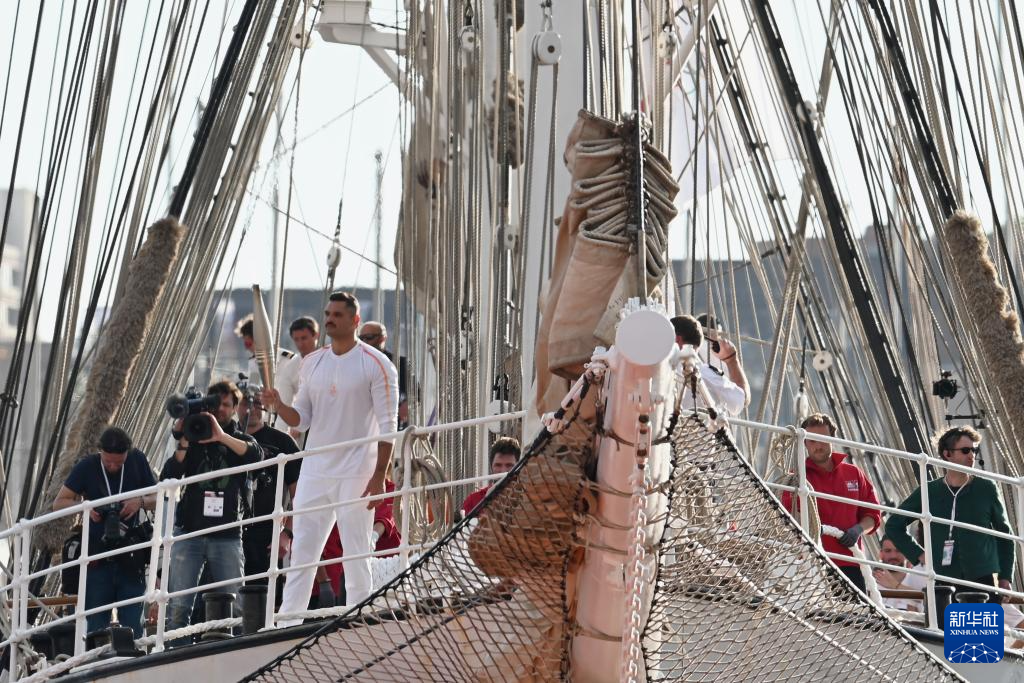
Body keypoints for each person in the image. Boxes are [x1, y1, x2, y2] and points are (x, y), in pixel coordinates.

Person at [263, 291, 399, 625]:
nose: (329, 319)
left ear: (354, 320)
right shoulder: (312, 362)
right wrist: (279, 405)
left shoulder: (377, 364)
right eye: (327, 314)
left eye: (337, 314)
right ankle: (288, 622)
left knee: (357, 553)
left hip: (357, 471)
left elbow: (388, 426)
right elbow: (301, 419)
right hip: (315, 470)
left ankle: (359, 619)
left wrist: (379, 476)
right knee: (302, 553)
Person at [161, 380, 263, 639]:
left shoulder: (238, 439)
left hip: (227, 535)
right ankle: (176, 653)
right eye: (216, 404)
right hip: (190, 532)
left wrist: (221, 436)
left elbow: (256, 456)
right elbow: (169, 477)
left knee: (236, 605)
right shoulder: (194, 435)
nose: (221, 410)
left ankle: (237, 651)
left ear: (235, 408)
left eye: (226, 405)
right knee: (179, 607)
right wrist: (184, 440)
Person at [886, 425, 1015, 604]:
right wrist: (919, 555)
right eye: (965, 450)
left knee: (982, 624)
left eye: (974, 450)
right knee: (948, 623)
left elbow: (1004, 535)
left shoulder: (987, 488)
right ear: (947, 454)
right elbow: (893, 525)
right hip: (944, 580)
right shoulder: (929, 491)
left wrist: (1005, 577)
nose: (972, 456)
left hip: (982, 580)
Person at [53, 427, 156, 636]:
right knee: (96, 627)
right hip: (97, 558)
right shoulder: (87, 466)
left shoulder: (137, 460)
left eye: (119, 462)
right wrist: (86, 507)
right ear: (100, 451)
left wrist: (140, 501)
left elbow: (159, 497)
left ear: (127, 453)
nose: (113, 466)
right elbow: (59, 503)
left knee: (133, 627)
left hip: (130, 556)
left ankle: (133, 654)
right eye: (108, 462)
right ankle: (96, 655)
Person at [781, 413, 880, 593]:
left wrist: (858, 530)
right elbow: (788, 519)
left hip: (852, 563)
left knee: (854, 611)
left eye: (822, 439)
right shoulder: (796, 479)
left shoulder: (854, 473)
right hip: (811, 565)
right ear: (804, 443)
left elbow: (872, 515)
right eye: (812, 441)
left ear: (832, 439)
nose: (818, 446)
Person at [236, 389, 301, 596]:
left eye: (257, 403)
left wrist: (287, 534)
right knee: (228, 599)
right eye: (245, 403)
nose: (252, 409)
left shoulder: (283, 443)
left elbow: (299, 495)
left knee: (265, 599)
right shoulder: (227, 438)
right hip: (230, 534)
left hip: (268, 536)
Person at [311, 476, 402, 608]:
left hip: (383, 576)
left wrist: (372, 538)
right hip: (336, 579)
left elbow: (386, 519)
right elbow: (315, 536)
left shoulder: (392, 490)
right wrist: (324, 582)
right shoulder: (339, 491)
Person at [671, 314, 749, 416]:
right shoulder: (705, 373)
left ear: (677, 339)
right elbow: (742, 400)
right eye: (718, 335)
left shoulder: (654, 366)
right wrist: (732, 360)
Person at [461, 437, 521, 517]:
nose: (503, 471)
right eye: (498, 465)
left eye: (509, 465)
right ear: (491, 467)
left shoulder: (528, 498)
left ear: (518, 466)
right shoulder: (473, 501)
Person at [873, 536, 926, 612]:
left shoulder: (917, 580)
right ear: (881, 554)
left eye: (898, 550)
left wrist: (895, 585)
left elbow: (930, 599)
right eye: (888, 551)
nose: (893, 556)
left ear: (907, 554)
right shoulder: (870, 582)